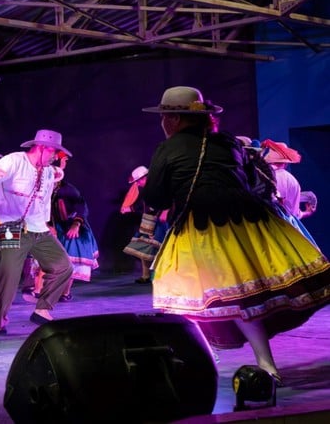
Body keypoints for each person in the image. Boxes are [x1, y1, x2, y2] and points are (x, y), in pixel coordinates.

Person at [140, 86, 330, 384]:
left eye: (164, 116)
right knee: (244, 299)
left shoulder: (168, 148)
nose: (162, 122)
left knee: (182, 295)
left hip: (202, 227)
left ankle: (200, 357)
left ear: (173, 119)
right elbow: (253, 182)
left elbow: (156, 197)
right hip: (248, 223)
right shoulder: (227, 142)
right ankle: (266, 365)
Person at [0, 129, 73, 335]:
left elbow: (44, 199)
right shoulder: (14, 161)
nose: (55, 157)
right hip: (11, 226)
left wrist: (47, 223)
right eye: (53, 152)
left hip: (38, 228)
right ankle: (0, 319)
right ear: (41, 147)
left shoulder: (48, 171)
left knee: (63, 266)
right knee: (8, 275)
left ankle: (42, 310)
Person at [49, 151, 98, 301]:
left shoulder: (68, 190)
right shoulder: (42, 190)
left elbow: (82, 207)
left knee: (71, 259)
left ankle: (65, 293)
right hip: (54, 227)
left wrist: (76, 224)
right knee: (48, 260)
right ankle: (44, 291)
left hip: (73, 227)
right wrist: (47, 225)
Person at [121, 165, 169, 284]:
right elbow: (142, 205)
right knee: (144, 247)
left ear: (144, 178)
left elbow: (169, 199)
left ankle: (162, 276)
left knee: (160, 248)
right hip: (148, 221)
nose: (137, 184)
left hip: (160, 222)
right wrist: (129, 209)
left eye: (138, 181)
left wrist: (165, 212)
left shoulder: (159, 187)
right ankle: (146, 275)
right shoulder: (146, 191)